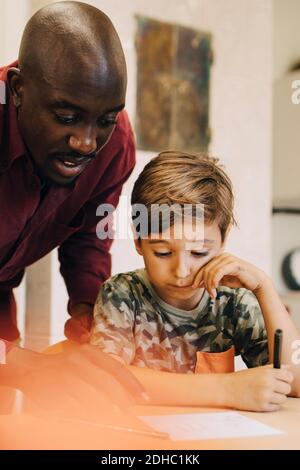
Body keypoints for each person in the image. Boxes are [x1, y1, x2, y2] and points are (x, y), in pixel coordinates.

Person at [0, 1, 147, 413]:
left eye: (105, 119)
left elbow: (88, 234)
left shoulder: (114, 144)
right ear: (17, 90)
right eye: (67, 116)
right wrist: (23, 366)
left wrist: (89, 317)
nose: (86, 142)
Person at [91, 151, 300, 412]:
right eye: (163, 253)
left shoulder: (234, 304)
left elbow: (295, 382)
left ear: (222, 242)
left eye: (199, 253)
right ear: (139, 243)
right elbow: (106, 380)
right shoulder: (122, 295)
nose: (181, 271)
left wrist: (264, 288)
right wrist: (228, 389)